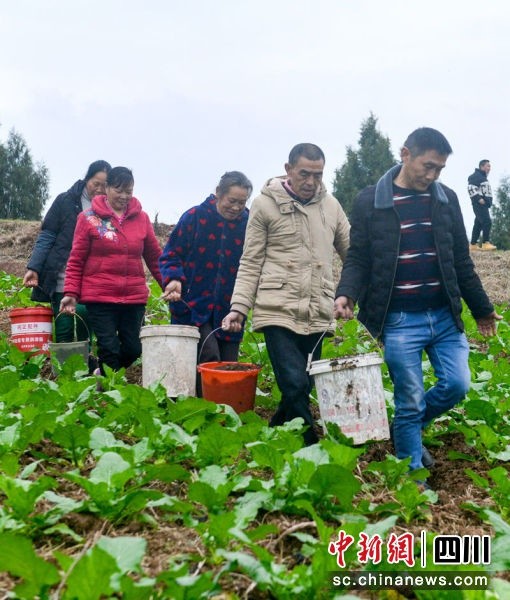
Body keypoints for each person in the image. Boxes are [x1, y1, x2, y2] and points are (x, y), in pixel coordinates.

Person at [333, 127, 501, 482]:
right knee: (409, 398)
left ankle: (405, 428)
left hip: (442, 315)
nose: (432, 175)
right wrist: (346, 293)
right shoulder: (370, 201)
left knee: (457, 384)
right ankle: (414, 480)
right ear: (405, 154)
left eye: (439, 169)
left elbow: (460, 260)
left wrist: (482, 308)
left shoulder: (446, 199)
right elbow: (359, 257)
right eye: (427, 166)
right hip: (398, 319)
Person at [223, 143, 351, 445]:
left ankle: (273, 431)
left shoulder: (331, 205)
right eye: (304, 173)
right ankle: (310, 445)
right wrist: (239, 307)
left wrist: (355, 292)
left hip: (317, 309)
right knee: (293, 382)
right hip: (276, 307)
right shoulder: (265, 204)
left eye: (317, 175)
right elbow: (251, 259)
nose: (310, 181)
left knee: (303, 384)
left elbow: (353, 254)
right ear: (288, 169)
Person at [60, 167, 163, 374]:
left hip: (133, 297)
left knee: (134, 348)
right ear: (106, 188)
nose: (124, 196)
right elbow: (76, 259)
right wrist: (71, 293)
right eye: (119, 190)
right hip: (100, 296)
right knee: (109, 348)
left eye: (129, 191)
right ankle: (108, 396)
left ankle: (104, 375)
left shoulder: (141, 218)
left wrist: (168, 284)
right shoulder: (88, 218)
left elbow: (154, 256)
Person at [159, 171, 253, 395]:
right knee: (208, 356)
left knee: (229, 365)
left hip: (230, 306)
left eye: (242, 202)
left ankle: (224, 409)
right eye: (232, 201)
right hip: (193, 305)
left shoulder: (249, 224)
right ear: (218, 193)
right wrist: (174, 279)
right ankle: (201, 407)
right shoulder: (195, 217)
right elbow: (171, 254)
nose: (236, 207)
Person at [23, 160, 112, 355]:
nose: (99, 189)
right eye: (95, 183)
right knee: (62, 326)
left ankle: (85, 367)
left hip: (93, 276)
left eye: (105, 185)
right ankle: (63, 373)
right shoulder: (65, 201)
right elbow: (47, 235)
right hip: (63, 273)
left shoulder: (110, 209)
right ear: (86, 179)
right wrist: (34, 267)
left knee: (85, 321)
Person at [468, 159, 496, 251]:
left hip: (483, 204)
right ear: (482, 166)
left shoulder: (482, 177)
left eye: (490, 166)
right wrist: (479, 199)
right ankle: (485, 243)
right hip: (479, 204)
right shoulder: (475, 176)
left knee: (478, 223)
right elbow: (470, 188)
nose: (489, 168)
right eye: (488, 166)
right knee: (487, 221)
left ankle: (473, 245)